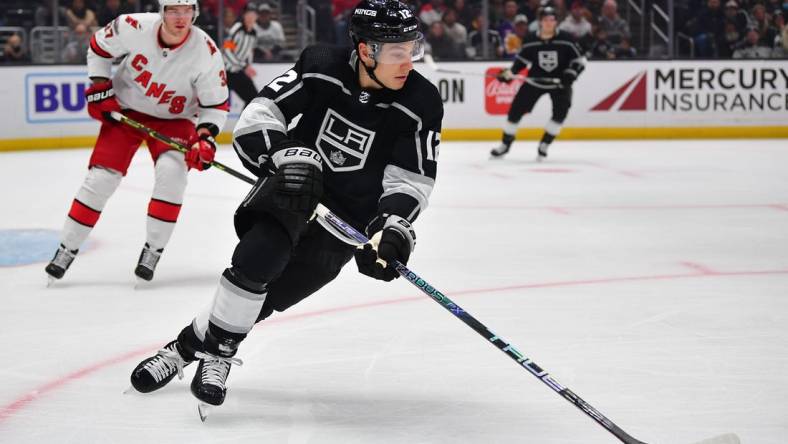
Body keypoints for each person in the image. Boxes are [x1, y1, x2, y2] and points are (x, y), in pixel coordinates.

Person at [127, 0, 443, 411]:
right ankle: (219, 356)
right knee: (257, 261)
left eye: (412, 48)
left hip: (346, 223)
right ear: (366, 50)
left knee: (269, 298)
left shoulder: (421, 100)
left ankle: (183, 348)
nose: (408, 61)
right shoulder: (321, 65)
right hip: (293, 190)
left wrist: (392, 227)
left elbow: (411, 177)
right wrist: (285, 155)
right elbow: (260, 114)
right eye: (398, 51)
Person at [44, 0, 229, 284]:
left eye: (187, 10)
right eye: (173, 10)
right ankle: (66, 248)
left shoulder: (207, 51)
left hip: (174, 120)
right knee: (100, 179)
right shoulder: (133, 26)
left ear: (195, 12)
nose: (181, 18)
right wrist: (99, 86)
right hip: (126, 111)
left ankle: (153, 249)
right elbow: (98, 47)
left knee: (172, 174)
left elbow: (215, 105)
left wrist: (205, 139)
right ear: (161, 11)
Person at [490, 6, 586, 160]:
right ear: (540, 22)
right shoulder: (530, 40)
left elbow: (580, 61)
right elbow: (521, 62)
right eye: (545, 19)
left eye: (552, 19)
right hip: (535, 81)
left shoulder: (566, 39)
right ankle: (505, 145)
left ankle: (545, 145)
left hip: (560, 83)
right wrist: (510, 73)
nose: (549, 22)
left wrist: (571, 73)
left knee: (560, 114)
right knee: (515, 111)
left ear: (556, 21)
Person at [223, 2, 260, 107]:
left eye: (253, 15)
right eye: (248, 14)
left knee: (253, 99)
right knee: (214, 102)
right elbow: (227, 50)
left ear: (256, 16)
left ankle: (243, 123)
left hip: (238, 71)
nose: (250, 17)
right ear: (243, 15)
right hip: (225, 72)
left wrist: (248, 66)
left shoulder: (254, 32)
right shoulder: (237, 28)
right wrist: (245, 66)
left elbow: (249, 52)